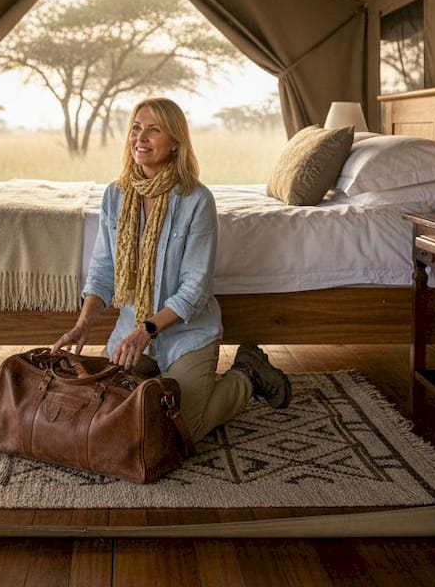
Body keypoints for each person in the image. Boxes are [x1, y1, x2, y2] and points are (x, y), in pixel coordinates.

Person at [52, 97, 291, 445]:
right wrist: (83, 324)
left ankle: (247, 375)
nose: (140, 138)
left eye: (153, 130)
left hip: (187, 335)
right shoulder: (115, 196)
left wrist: (146, 330)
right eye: (135, 128)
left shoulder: (197, 199)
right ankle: (154, 384)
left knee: (184, 431)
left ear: (175, 142)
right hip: (131, 336)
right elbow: (104, 271)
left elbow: (194, 288)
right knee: (104, 414)